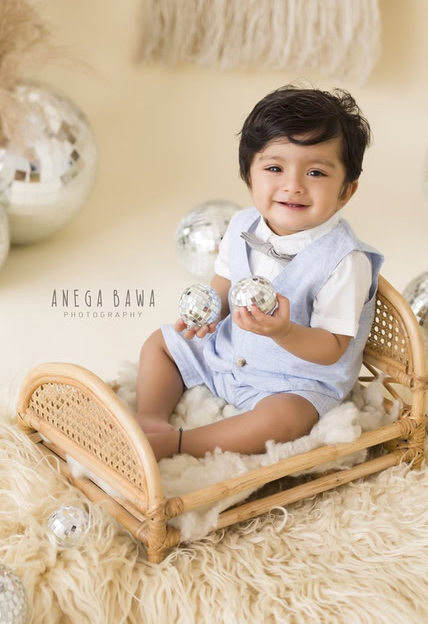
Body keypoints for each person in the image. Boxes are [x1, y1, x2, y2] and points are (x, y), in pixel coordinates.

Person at [135, 86, 384, 460]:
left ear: (346, 190)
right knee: (160, 343)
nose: (293, 185)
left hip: (293, 382)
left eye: (316, 172)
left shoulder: (345, 261)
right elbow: (224, 282)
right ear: (248, 175)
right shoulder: (242, 224)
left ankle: (179, 445)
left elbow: (333, 347)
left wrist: (284, 332)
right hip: (230, 351)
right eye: (274, 168)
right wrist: (208, 314)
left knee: (285, 420)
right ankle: (149, 421)